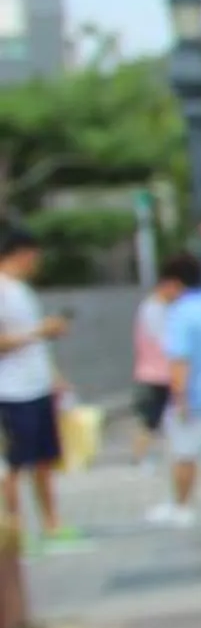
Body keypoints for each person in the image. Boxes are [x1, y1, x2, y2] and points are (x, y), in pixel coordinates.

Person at [0, 222, 81, 552]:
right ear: (22, 254)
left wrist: (54, 376)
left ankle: (51, 524)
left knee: (44, 459)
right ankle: (16, 530)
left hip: (36, 385)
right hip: (9, 390)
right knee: (13, 465)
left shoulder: (22, 290)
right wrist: (38, 332)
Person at [145, 253, 201, 530]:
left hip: (197, 396)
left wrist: (179, 398)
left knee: (184, 453)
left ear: (173, 284)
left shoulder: (181, 313)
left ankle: (182, 506)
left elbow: (180, 359)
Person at [129, 279, 174, 469]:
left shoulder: (158, 307)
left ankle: (152, 456)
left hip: (161, 372)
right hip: (155, 374)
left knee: (158, 417)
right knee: (150, 419)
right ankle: (140, 457)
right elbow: (164, 340)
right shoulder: (153, 308)